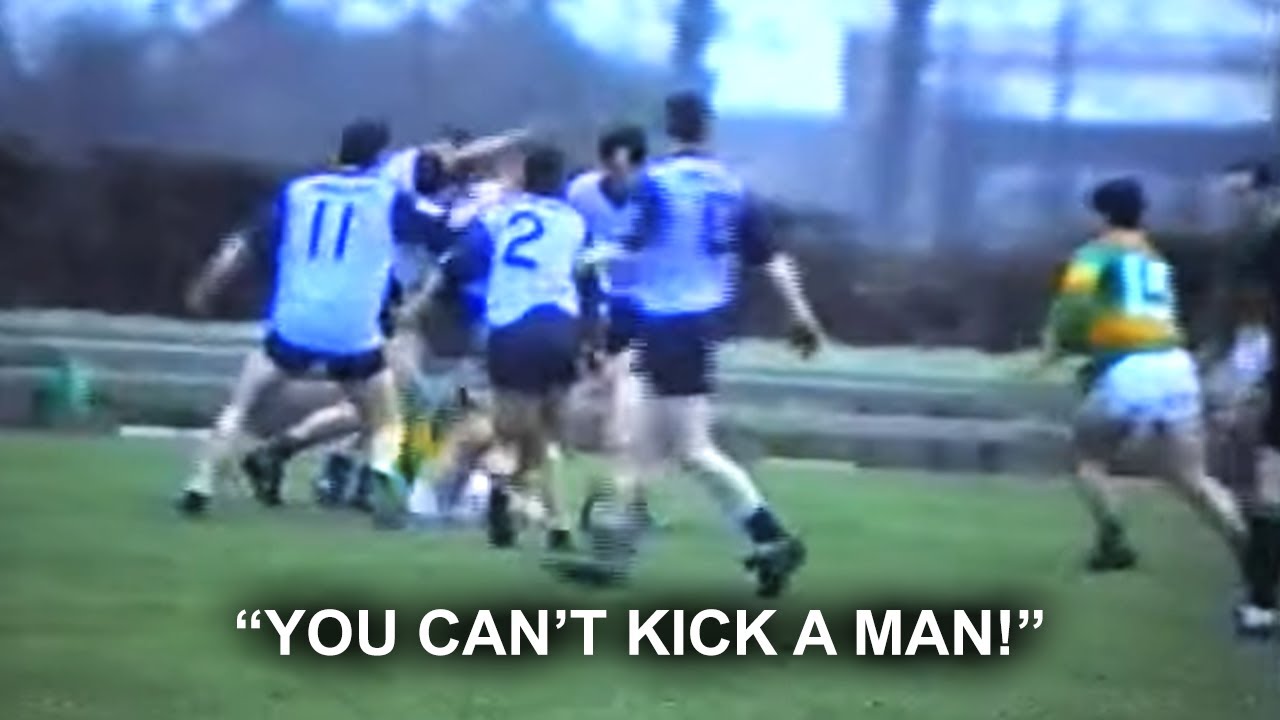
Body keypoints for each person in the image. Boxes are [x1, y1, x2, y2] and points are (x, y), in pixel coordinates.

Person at [572, 92, 823, 598]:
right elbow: (770, 257)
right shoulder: (732, 187)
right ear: (708, 129)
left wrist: (592, 259)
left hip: (670, 320)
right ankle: (615, 556)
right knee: (647, 446)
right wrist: (800, 312)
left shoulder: (657, 183)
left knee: (690, 449)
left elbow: (633, 240)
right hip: (700, 321)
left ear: (668, 130)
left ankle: (772, 539)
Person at [177, 118, 422, 518]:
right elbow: (439, 232)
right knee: (385, 418)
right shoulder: (388, 197)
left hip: (295, 322)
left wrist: (207, 285)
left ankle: (199, 483)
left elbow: (241, 245)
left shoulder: (298, 192)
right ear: (380, 157)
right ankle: (382, 480)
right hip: (353, 329)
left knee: (240, 404)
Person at [1034, 178, 1248, 579]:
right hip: (1175, 364)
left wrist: (1056, 350)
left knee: (1089, 457)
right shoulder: (1154, 258)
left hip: (1130, 368)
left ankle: (1113, 540)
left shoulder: (1094, 254)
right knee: (1192, 475)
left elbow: (1072, 309)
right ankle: (1252, 549)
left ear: (1100, 214)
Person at [417, 142, 594, 551]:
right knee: (545, 434)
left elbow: (457, 265)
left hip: (510, 331)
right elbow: (589, 282)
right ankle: (558, 525)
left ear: (525, 178)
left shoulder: (500, 216)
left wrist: (422, 306)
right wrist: (594, 344)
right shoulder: (576, 223)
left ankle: (501, 485)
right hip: (560, 329)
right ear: (561, 182)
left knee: (509, 433)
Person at [565, 125, 660, 530]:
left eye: (627, 166)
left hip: (644, 307)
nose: (619, 174)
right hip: (592, 309)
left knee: (634, 403)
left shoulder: (657, 195)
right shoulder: (580, 193)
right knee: (587, 406)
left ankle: (630, 500)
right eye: (612, 165)